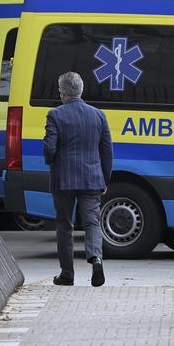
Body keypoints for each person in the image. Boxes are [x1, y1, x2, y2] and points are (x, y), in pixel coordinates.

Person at [43, 71, 113, 287]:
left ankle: (67, 274)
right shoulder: (98, 115)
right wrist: (104, 180)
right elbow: (107, 151)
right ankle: (96, 259)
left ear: (62, 92)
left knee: (65, 224)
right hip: (92, 178)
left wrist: (50, 157)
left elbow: (49, 150)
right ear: (80, 90)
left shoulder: (55, 115)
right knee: (92, 222)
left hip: (63, 179)